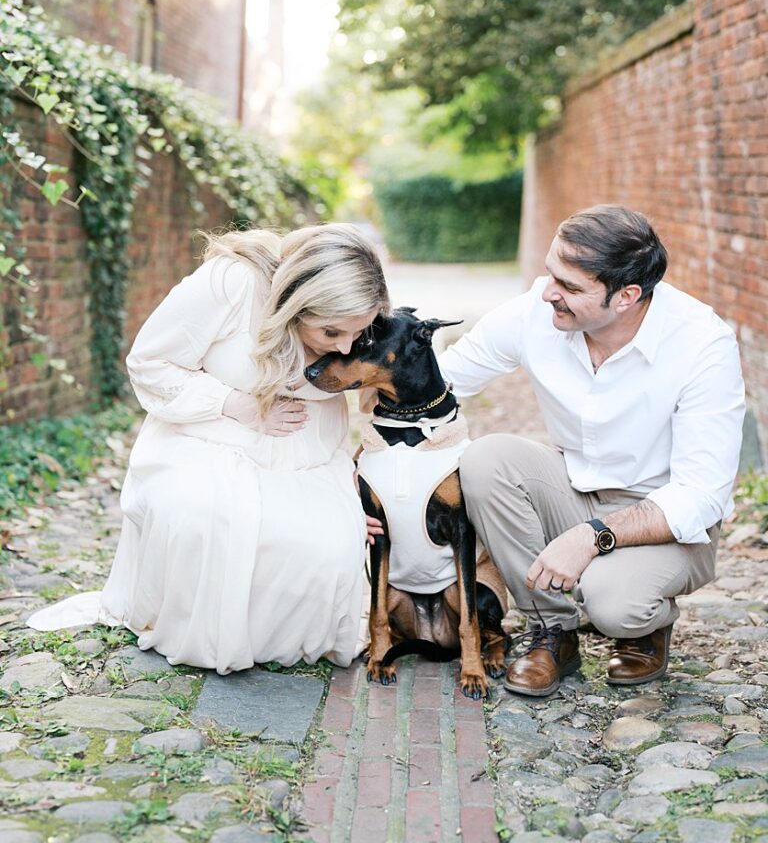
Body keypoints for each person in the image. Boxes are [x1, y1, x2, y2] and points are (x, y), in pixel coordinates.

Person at [28, 223, 390, 674]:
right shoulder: (231, 282)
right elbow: (149, 363)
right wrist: (237, 405)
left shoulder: (358, 330)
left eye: (357, 333)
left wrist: (356, 482)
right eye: (331, 332)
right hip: (206, 441)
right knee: (212, 526)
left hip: (308, 462)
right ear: (296, 304)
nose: (346, 346)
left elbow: (375, 409)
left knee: (331, 552)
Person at [437, 204, 745, 696]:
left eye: (570, 287)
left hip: (668, 521)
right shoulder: (536, 311)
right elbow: (440, 380)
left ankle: (647, 628)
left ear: (626, 297)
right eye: (550, 273)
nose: (548, 293)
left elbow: (701, 494)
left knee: (613, 606)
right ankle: (551, 631)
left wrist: (590, 537)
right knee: (485, 459)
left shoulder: (701, 343)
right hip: (574, 486)